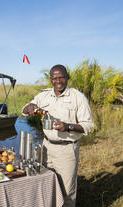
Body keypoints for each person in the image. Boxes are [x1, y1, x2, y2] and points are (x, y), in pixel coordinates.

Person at [22, 64, 94, 207]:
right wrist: (30, 107)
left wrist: (67, 126)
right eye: (55, 78)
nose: (58, 81)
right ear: (51, 80)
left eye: (62, 77)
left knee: (67, 192)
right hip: (46, 147)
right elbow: (25, 109)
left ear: (67, 77)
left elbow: (89, 125)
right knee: (45, 183)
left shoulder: (77, 97)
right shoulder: (43, 95)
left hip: (67, 150)